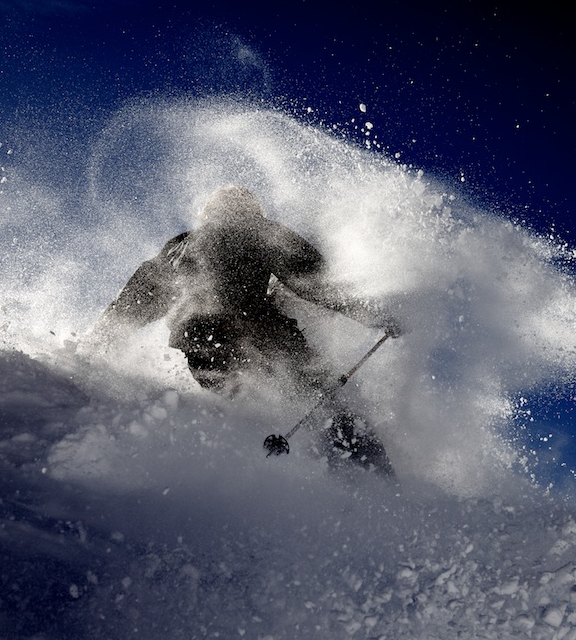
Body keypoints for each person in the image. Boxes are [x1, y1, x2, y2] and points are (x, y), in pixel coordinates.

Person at [90, 186, 401, 477]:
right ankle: (367, 471)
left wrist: (100, 340)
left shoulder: (181, 246)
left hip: (202, 353)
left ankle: (258, 474)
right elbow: (312, 280)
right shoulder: (258, 230)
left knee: (254, 408)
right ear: (250, 211)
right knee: (325, 400)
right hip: (254, 337)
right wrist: (375, 314)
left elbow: (139, 298)